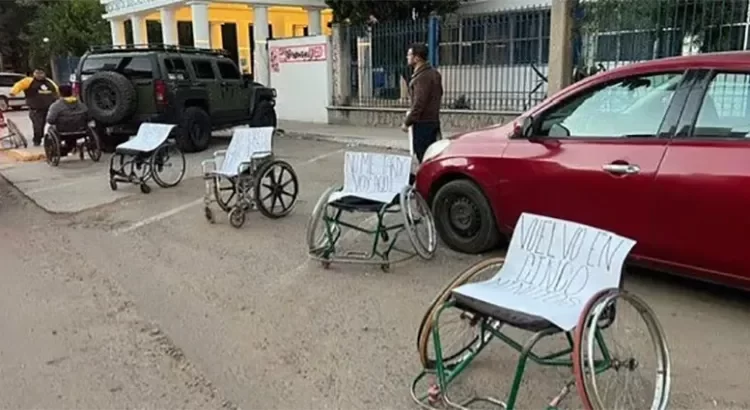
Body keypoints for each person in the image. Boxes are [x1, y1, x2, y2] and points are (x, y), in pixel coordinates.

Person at [402, 43, 443, 164]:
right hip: (433, 121)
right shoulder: (434, 73)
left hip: (423, 123)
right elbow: (440, 94)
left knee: (424, 157)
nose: (407, 57)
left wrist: (407, 122)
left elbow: (419, 103)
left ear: (417, 58)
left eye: (409, 55)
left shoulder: (422, 77)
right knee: (433, 156)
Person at [9, 69, 59, 146]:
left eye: (41, 73)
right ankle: (37, 140)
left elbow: (57, 90)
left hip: (50, 108)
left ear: (44, 74)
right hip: (36, 109)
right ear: (34, 74)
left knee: (54, 125)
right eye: (37, 73)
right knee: (38, 126)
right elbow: (19, 85)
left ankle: (53, 140)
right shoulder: (28, 81)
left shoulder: (49, 82)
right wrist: (13, 92)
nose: (39, 75)